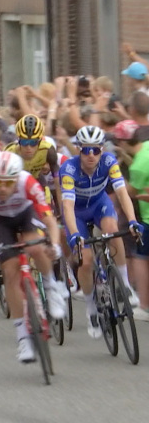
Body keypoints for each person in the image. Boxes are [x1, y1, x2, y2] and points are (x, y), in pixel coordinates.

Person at [0, 152, 67, 363]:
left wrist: (54, 245)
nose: (3, 188)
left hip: (26, 213)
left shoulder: (28, 182)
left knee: (35, 246)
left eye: (8, 183)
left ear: (17, 178)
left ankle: (52, 287)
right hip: (0, 220)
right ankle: (23, 338)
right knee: (10, 271)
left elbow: (50, 220)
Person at [60, 125, 144, 339]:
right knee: (85, 260)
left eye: (95, 150)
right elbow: (68, 207)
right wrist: (74, 234)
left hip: (99, 205)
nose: (91, 155)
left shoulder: (109, 162)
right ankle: (90, 309)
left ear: (101, 150)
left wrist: (133, 220)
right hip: (77, 212)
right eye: (86, 150)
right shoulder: (69, 169)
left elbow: (123, 194)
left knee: (112, 229)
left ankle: (124, 285)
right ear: (78, 149)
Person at [114, 120, 149, 321]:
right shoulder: (147, 148)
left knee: (141, 259)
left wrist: (115, 175)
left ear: (122, 141)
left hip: (147, 217)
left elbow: (128, 192)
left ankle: (144, 306)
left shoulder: (137, 168)